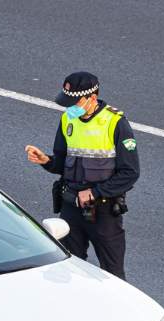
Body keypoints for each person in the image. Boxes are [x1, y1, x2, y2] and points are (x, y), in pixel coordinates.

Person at [25, 71, 139, 279]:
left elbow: (130, 173)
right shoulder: (68, 120)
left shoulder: (115, 123)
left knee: (112, 275)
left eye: (75, 103)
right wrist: (46, 161)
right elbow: (63, 163)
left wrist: (95, 192)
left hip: (102, 211)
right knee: (67, 271)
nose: (70, 108)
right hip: (70, 206)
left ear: (92, 98)